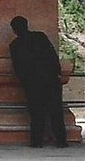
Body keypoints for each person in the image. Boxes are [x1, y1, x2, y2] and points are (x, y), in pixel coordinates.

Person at [9, 15, 68, 148]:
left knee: (36, 113)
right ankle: (61, 141)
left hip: (32, 83)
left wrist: (25, 83)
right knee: (56, 111)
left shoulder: (15, 45)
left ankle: (36, 141)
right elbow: (52, 55)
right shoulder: (40, 37)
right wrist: (57, 73)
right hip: (50, 79)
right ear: (27, 25)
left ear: (14, 30)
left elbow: (18, 67)